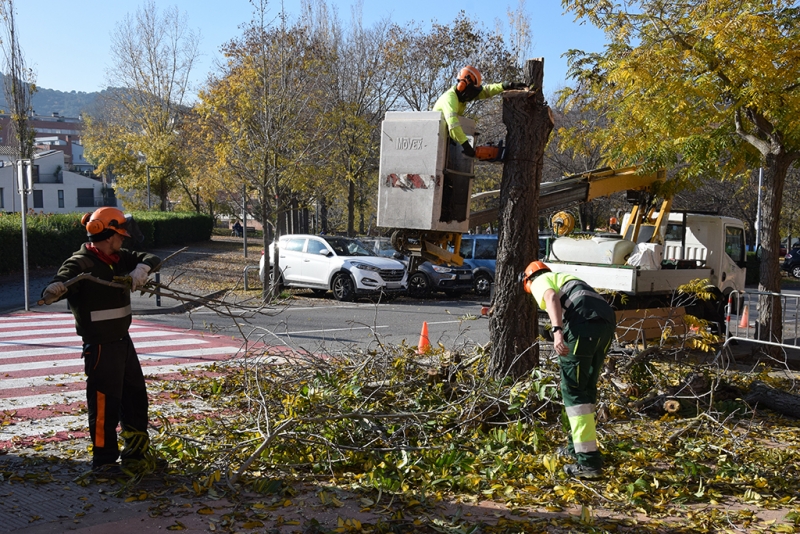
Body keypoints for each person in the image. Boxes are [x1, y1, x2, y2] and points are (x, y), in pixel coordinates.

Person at [41, 207, 161, 475]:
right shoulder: (80, 264)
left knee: (135, 400)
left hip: (123, 343)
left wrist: (142, 268)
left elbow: (151, 258)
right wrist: (54, 289)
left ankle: (136, 455)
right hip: (100, 348)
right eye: (120, 235)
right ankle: (104, 462)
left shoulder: (118, 258)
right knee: (104, 405)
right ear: (107, 235)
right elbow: (60, 282)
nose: (124, 239)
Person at [521, 260, 616, 480]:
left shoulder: (540, 280)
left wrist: (557, 332)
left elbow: (550, 298)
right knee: (586, 389)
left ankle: (588, 462)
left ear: (528, 280)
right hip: (606, 322)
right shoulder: (563, 278)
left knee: (574, 392)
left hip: (584, 323)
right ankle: (577, 448)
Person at [432, 65, 527, 158]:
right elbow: (453, 125)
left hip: (443, 138)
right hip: (434, 140)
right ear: (462, 85)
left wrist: (506, 85)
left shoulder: (461, 97)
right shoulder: (450, 99)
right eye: (472, 91)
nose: (473, 94)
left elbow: (486, 91)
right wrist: (466, 145)